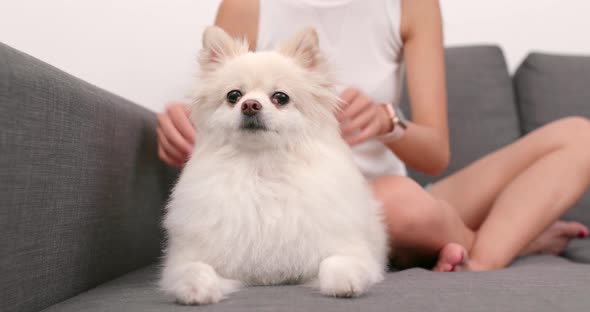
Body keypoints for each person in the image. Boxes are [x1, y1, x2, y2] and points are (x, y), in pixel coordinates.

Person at [156, 0, 590, 271]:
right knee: (401, 204)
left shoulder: (412, 5)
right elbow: (224, 99)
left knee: (579, 135)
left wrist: (390, 122)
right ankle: (495, 250)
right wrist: (181, 119)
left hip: (398, 192)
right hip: (314, 204)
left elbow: (435, 155)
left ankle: (483, 237)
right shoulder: (246, 4)